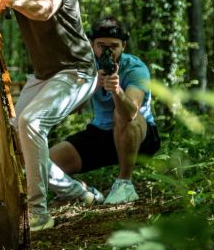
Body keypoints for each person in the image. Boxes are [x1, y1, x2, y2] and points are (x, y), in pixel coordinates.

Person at [0, 0, 102, 232]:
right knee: (15, 136)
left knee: (32, 122)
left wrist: (16, 2)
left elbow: (46, 9)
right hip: (43, 76)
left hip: (77, 71)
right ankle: (80, 193)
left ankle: (38, 211)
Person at [50, 16, 160, 204]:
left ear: (123, 46)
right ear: (92, 45)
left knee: (121, 113)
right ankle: (84, 193)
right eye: (101, 46)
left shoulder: (135, 68)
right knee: (47, 162)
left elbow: (131, 113)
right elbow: (72, 109)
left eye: (114, 46)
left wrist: (117, 90)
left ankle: (124, 184)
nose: (107, 51)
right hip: (102, 133)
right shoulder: (85, 66)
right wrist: (91, 86)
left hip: (140, 136)